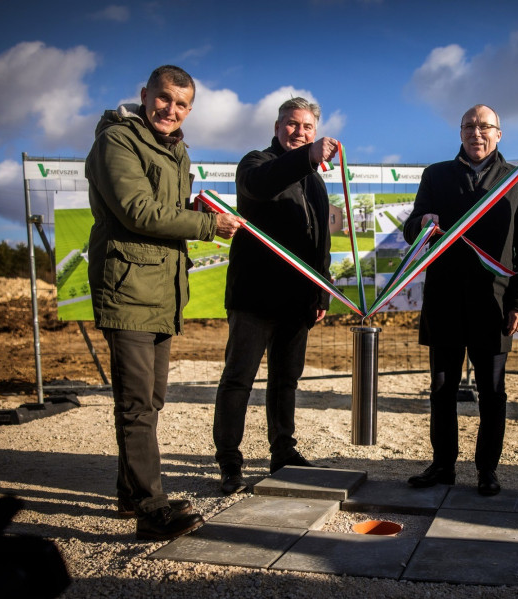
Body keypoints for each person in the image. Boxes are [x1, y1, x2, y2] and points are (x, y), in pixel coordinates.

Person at [86, 65, 244, 541]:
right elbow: (137, 212)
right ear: (145, 95)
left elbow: (165, 212)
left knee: (150, 401)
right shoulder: (117, 141)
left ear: (189, 110)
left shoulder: (176, 150)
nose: (170, 110)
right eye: (163, 99)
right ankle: (151, 511)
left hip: (161, 291)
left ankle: (131, 495)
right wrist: (205, 227)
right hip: (129, 286)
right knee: (136, 405)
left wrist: (197, 211)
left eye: (180, 104)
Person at [403, 104, 518, 496]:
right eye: (468, 126)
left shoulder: (517, 179)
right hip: (444, 300)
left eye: (485, 126)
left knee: (493, 393)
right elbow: (412, 225)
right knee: (442, 389)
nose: (476, 133)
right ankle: (443, 466)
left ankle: (487, 471)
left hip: (494, 304)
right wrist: (423, 223)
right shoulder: (437, 175)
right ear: (460, 133)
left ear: (500, 133)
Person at [212, 98, 337, 495]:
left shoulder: (315, 181)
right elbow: (262, 185)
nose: (298, 132)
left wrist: (321, 292)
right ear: (278, 125)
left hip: (298, 301)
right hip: (254, 298)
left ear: (314, 132)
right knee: (238, 380)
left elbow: (321, 242)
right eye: (291, 124)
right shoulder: (255, 162)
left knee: (286, 381)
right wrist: (307, 158)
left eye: (306, 127)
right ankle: (230, 463)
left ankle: (283, 451)